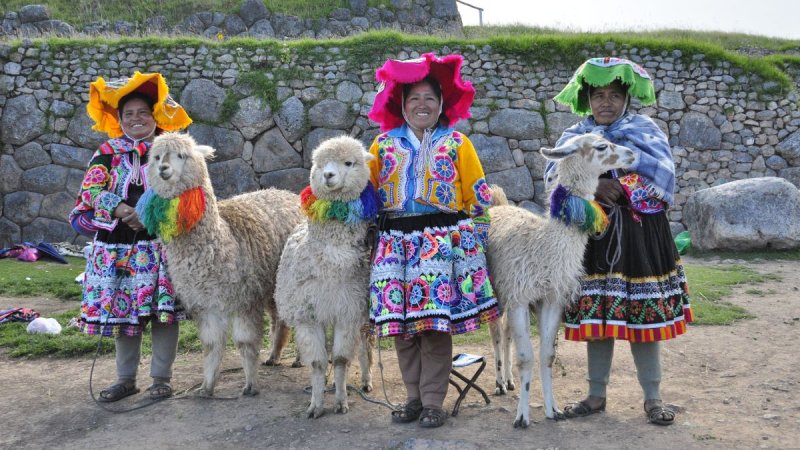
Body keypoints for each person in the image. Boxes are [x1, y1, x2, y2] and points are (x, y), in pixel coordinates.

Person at [546, 57, 693, 426]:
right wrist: (595, 186)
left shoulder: (645, 130)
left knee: (642, 316)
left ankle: (653, 397)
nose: (606, 102)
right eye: (598, 95)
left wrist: (621, 185)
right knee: (599, 316)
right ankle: (595, 395)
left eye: (613, 95)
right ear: (587, 100)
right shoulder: (575, 138)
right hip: (594, 239)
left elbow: (663, 175)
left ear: (626, 98)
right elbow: (557, 179)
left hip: (640, 235)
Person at [366, 53, 500, 428]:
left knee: (432, 325)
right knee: (402, 325)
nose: (422, 105)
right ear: (402, 106)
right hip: (395, 242)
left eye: (429, 98)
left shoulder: (457, 143)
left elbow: (478, 195)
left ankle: (432, 402)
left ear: (441, 104)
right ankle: (411, 398)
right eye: (414, 99)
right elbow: (366, 195)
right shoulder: (382, 145)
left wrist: (476, 244)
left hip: (441, 243)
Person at [70, 72, 193, 402]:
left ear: (155, 115)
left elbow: (187, 189)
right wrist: (123, 209)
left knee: (161, 313)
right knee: (123, 312)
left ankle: (161, 379)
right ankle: (126, 379)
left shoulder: (171, 149)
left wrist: (149, 213)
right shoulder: (107, 152)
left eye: (143, 112)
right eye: (129, 114)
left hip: (160, 244)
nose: (136, 119)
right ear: (120, 119)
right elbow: (91, 190)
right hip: (117, 248)